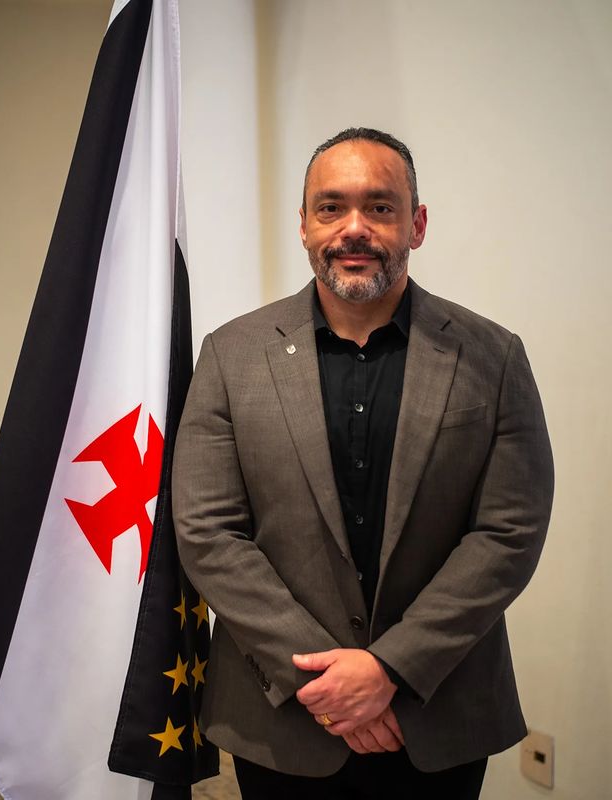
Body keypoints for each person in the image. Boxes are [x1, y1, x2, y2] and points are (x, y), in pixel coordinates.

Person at [172, 127, 554, 799]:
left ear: (417, 224)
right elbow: (208, 531)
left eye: (380, 207)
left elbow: (509, 532)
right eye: (331, 207)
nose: (354, 228)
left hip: (437, 712)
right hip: (283, 714)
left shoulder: (494, 357)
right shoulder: (230, 355)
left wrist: (390, 670)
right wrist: (324, 682)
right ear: (304, 225)